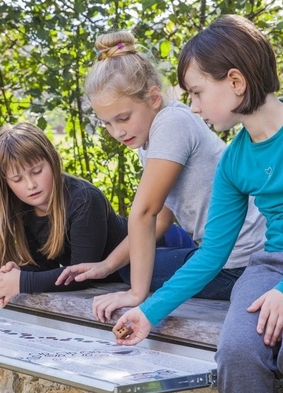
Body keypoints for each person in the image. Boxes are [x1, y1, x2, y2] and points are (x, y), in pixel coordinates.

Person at [112, 15, 283, 393]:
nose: (193, 106)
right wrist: (148, 311)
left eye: (197, 92)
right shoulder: (234, 162)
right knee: (239, 351)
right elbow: (211, 255)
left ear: (235, 82)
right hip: (269, 264)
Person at [55, 28, 266, 323]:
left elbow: (144, 213)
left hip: (237, 264)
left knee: (133, 269)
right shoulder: (150, 137)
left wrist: (136, 295)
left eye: (124, 118)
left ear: (153, 98)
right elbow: (163, 217)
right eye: (107, 124)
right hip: (225, 257)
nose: (118, 132)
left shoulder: (171, 124)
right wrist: (105, 265)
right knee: (130, 262)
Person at [0, 122, 192, 307]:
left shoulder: (83, 199)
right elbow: (45, 268)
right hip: (122, 272)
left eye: (37, 171)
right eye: (17, 179)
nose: (31, 185)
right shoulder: (22, 209)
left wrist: (23, 282)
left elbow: (80, 276)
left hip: (167, 247)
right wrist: (16, 274)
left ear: (53, 161)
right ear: (5, 184)